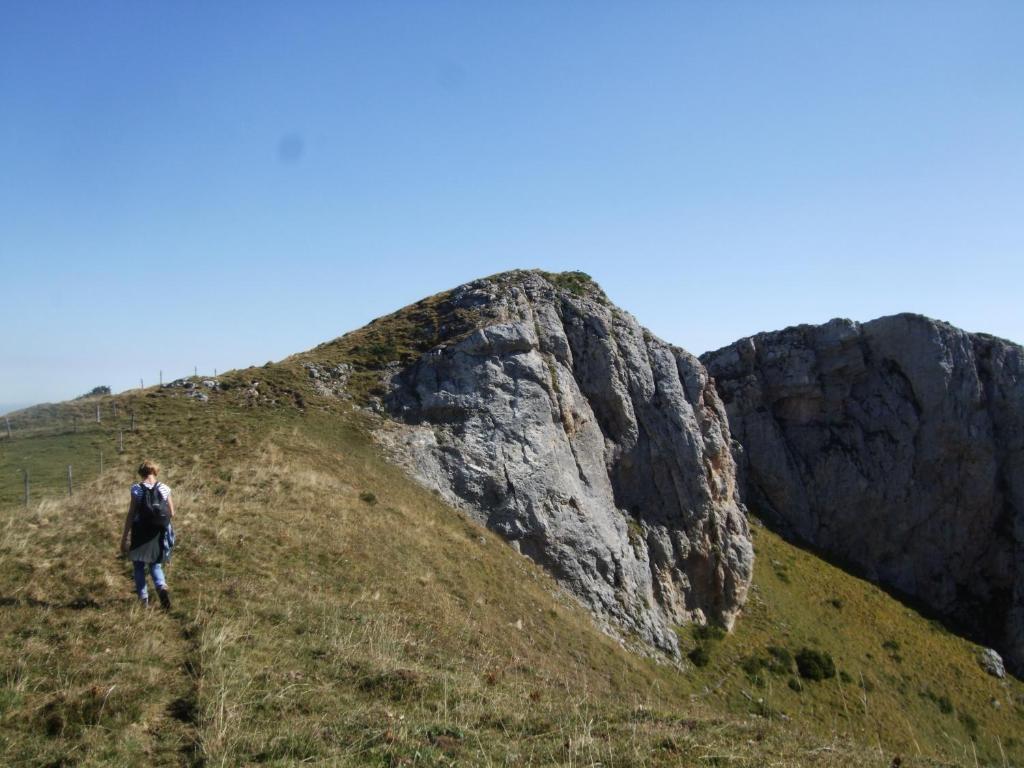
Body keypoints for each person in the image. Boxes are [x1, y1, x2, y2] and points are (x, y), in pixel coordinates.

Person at [120, 459, 175, 609]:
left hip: (140, 531)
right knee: (155, 565)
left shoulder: (136, 489)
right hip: (157, 533)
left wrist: (125, 537)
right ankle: (161, 586)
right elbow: (172, 512)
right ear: (155, 471)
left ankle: (144, 600)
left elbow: (131, 514)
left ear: (141, 473)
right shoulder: (165, 488)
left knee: (138, 566)